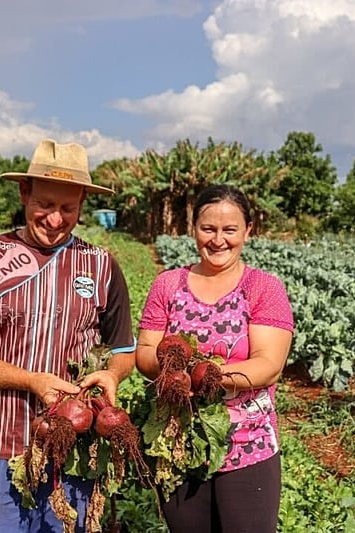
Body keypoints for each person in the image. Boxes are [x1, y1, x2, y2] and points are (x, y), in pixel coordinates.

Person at [0, 139, 136, 533]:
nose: (56, 219)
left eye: (68, 208)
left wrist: (113, 374)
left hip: (73, 448)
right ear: (24, 193)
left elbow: (123, 349)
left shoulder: (101, 265)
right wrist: (31, 380)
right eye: (45, 204)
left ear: (82, 204)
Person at [135, 184, 294, 533]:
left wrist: (204, 375)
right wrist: (170, 369)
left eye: (229, 230)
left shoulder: (263, 288)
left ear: (248, 231)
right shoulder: (168, 284)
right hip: (177, 441)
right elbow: (145, 352)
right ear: (193, 229)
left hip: (247, 445)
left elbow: (268, 366)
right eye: (208, 229)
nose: (218, 240)